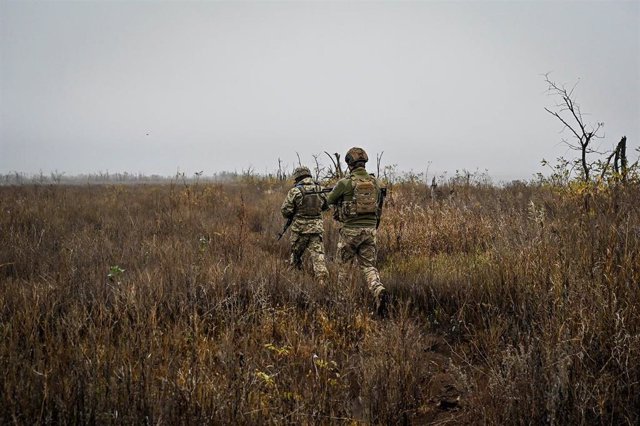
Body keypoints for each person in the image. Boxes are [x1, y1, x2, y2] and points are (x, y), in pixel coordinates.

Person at [326, 147, 388, 317]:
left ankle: (342, 303)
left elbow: (327, 202)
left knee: (343, 267)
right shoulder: (375, 182)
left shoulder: (345, 183)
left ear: (349, 163)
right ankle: (378, 289)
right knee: (368, 266)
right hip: (370, 231)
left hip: (350, 232)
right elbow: (379, 205)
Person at [280, 166, 329, 285]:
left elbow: (285, 211)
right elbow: (326, 207)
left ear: (297, 177)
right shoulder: (320, 189)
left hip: (299, 230)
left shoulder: (295, 191)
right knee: (318, 256)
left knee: (296, 256)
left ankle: (294, 281)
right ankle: (322, 281)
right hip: (316, 230)